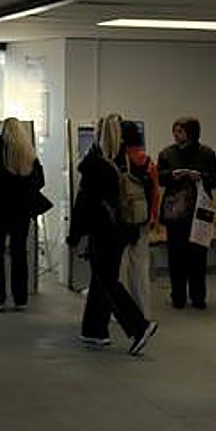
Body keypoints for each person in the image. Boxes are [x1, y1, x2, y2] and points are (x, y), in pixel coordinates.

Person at [67, 112, 158, 355]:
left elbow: (83, 204)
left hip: (102, 231)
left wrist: (74, 236)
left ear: (98, 134)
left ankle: (139, 327)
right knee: (100, 280)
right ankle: (94, 330)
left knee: (106, 281)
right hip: (122, 230)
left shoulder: (95, 164)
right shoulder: (124, 162)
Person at [0, 117, 49, 311]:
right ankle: (20, 298)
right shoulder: (27, 150)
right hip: (22, 209)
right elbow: (40, 181)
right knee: (19, 253)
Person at [157, 115, 216, 310]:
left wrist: (201, 176)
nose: (176, 135)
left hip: (199, 210)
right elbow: (159, 178)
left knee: (198, 256)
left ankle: (198, 297)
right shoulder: (167, 153)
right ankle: (178, 296)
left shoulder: (207, 153)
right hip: (175, 211)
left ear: (192, 133)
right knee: (176, 255)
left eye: (180, 131)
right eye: (174, 131)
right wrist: (172, 175)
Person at [117, 120, 159, 315]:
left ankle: (121, 312)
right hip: (143, 220)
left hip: (123, 221)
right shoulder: (148, 161)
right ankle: (143, 311)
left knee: (120, 268)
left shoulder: (119, 161)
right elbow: (155, 193)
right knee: (141, 267)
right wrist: (153, 217)